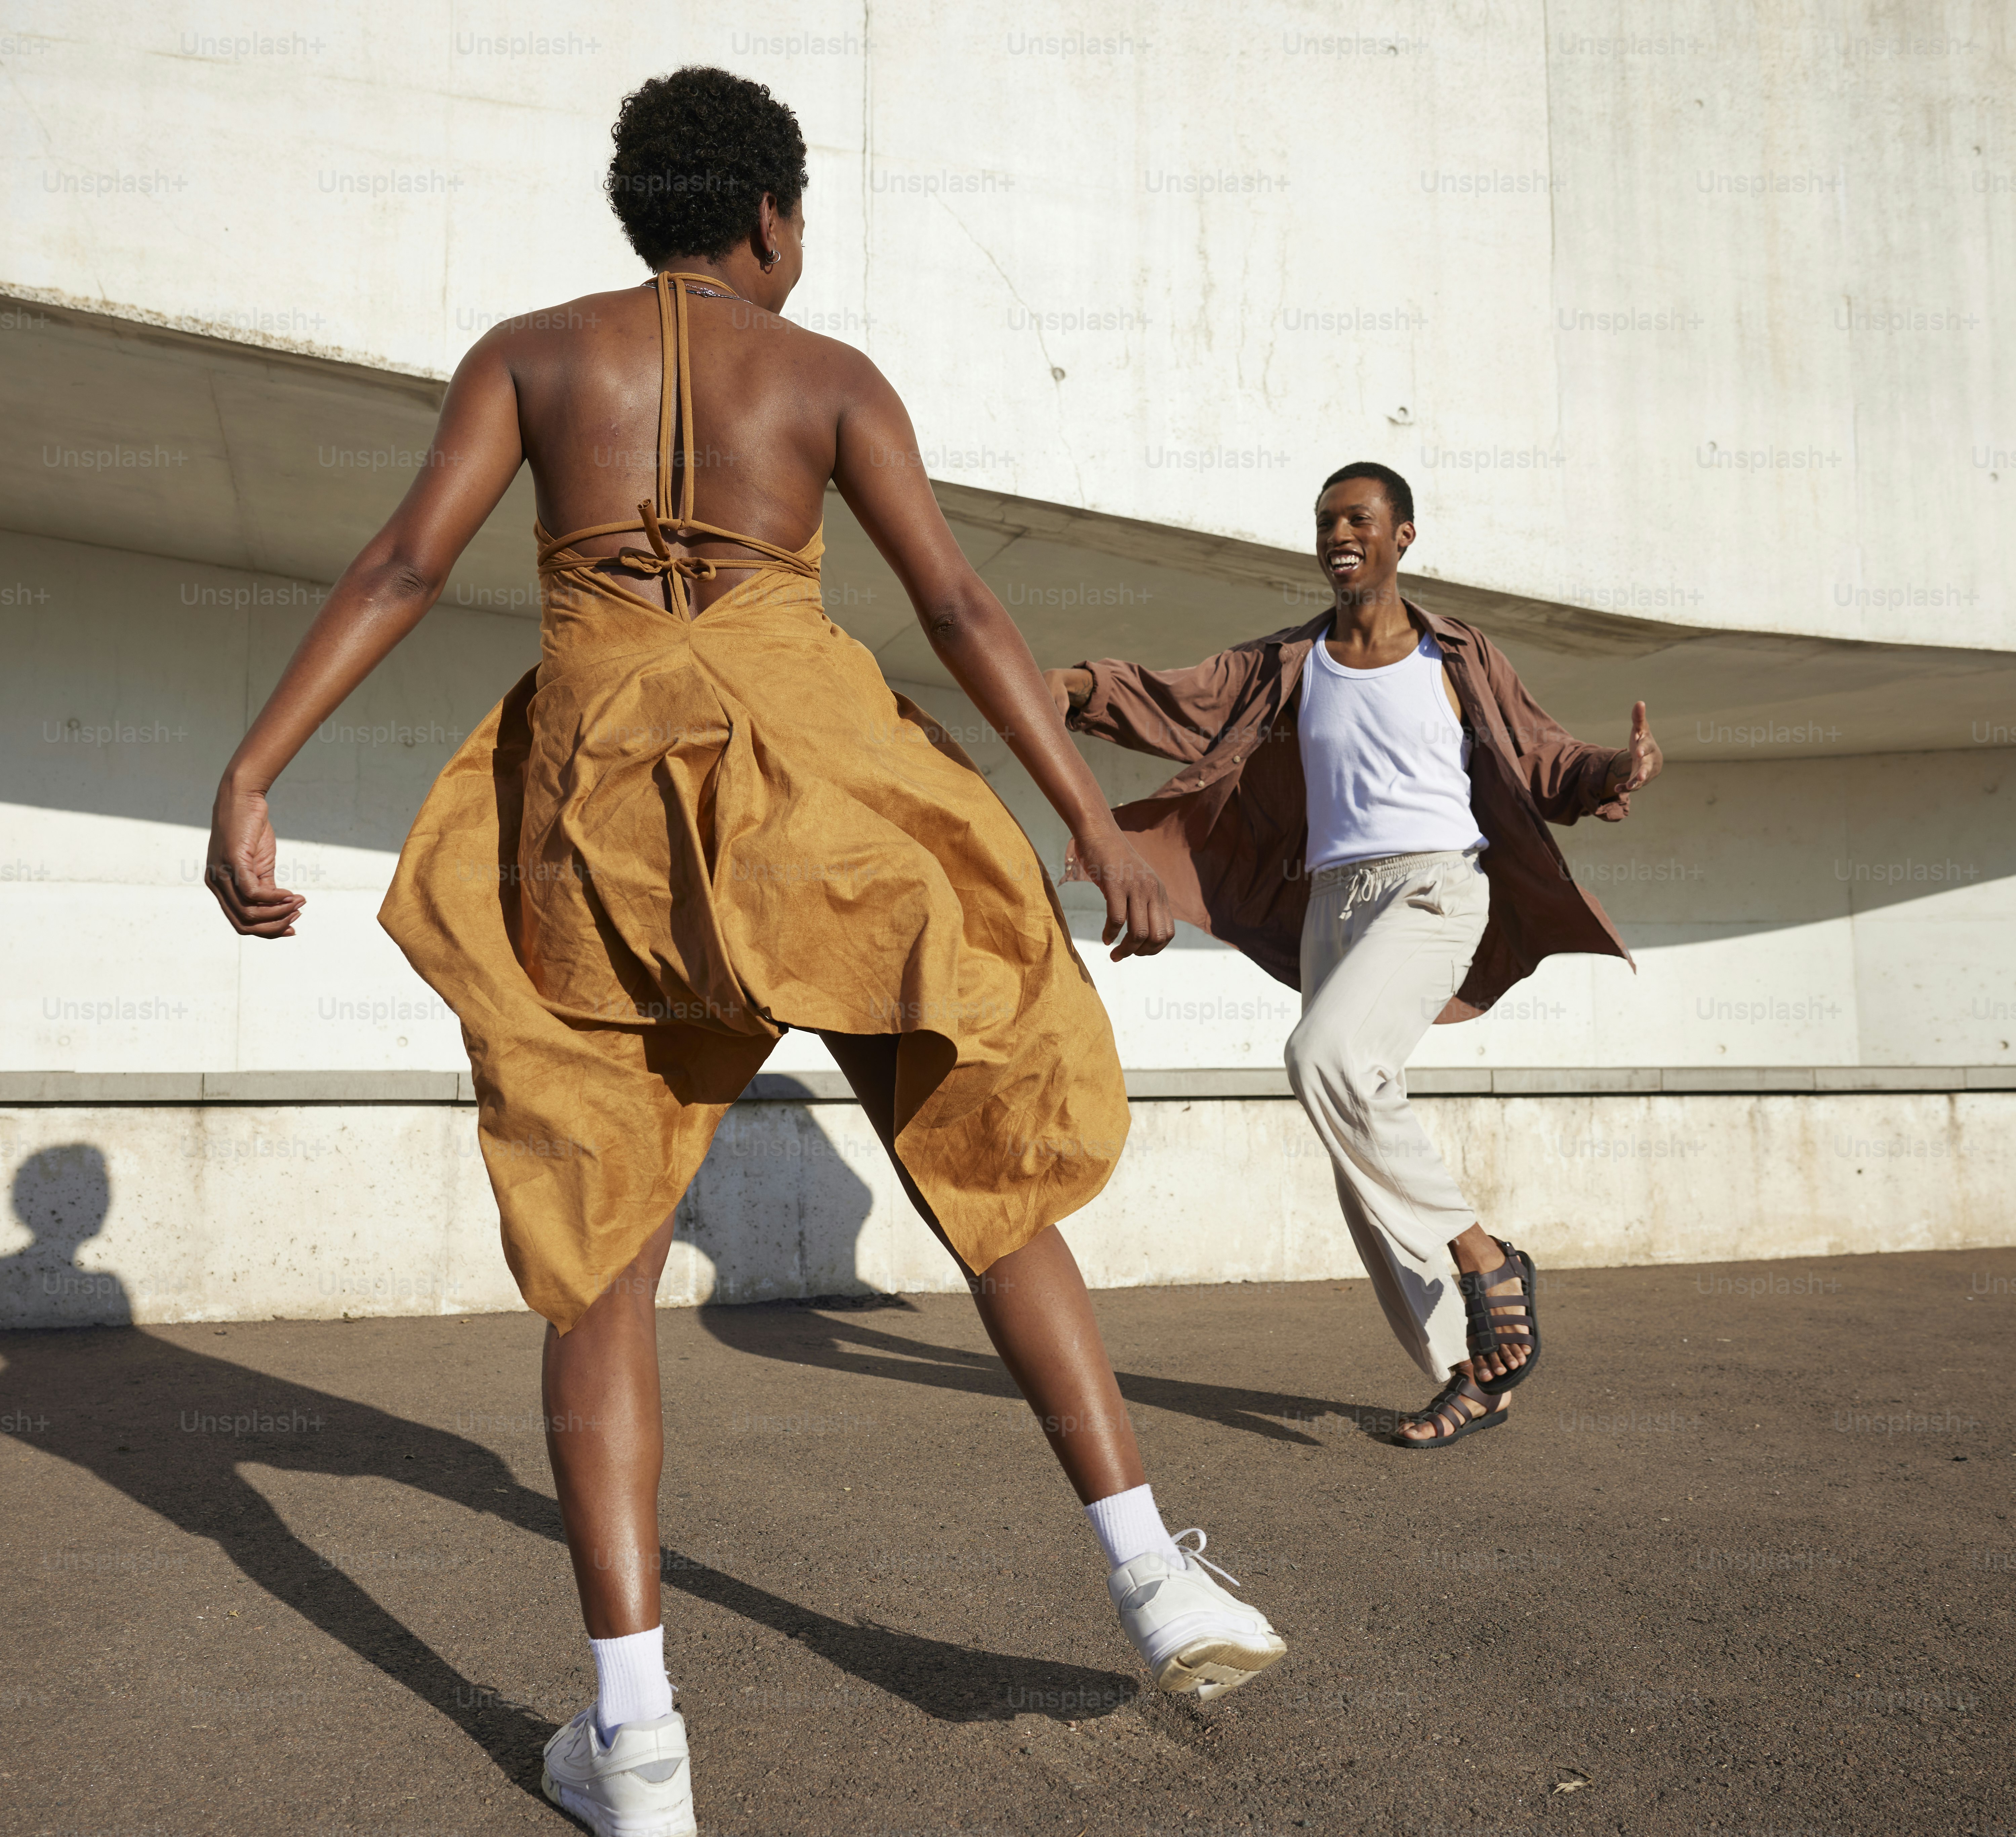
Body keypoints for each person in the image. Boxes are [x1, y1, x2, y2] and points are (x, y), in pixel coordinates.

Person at [202, 66, 1286, 1837]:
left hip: (603, 815)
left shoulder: (530, 358)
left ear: (642, 210)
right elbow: (959, 605)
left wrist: (254, 772)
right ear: (772, 216)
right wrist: (1091, 822)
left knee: (603, 1256)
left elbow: (402, 565)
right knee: (982, 1175)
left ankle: (637, 1747)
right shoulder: (827, 377)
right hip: (824, 795)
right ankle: (1154, 1575)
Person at [1045, 462, 1664, 1451]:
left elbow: (1544, 754)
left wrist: (1612, 771)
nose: (1340, 535)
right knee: (1356, 1150)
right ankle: (1473, 1373)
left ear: (1402, 536)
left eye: (1359, 520)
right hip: (1331, 907)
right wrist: (1075, 685)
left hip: (1435, 888)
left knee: (1325, 1060)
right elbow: (1182, 699)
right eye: (1327, 521)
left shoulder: (1456, 655)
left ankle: (1485, 1255)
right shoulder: (1294, 662)